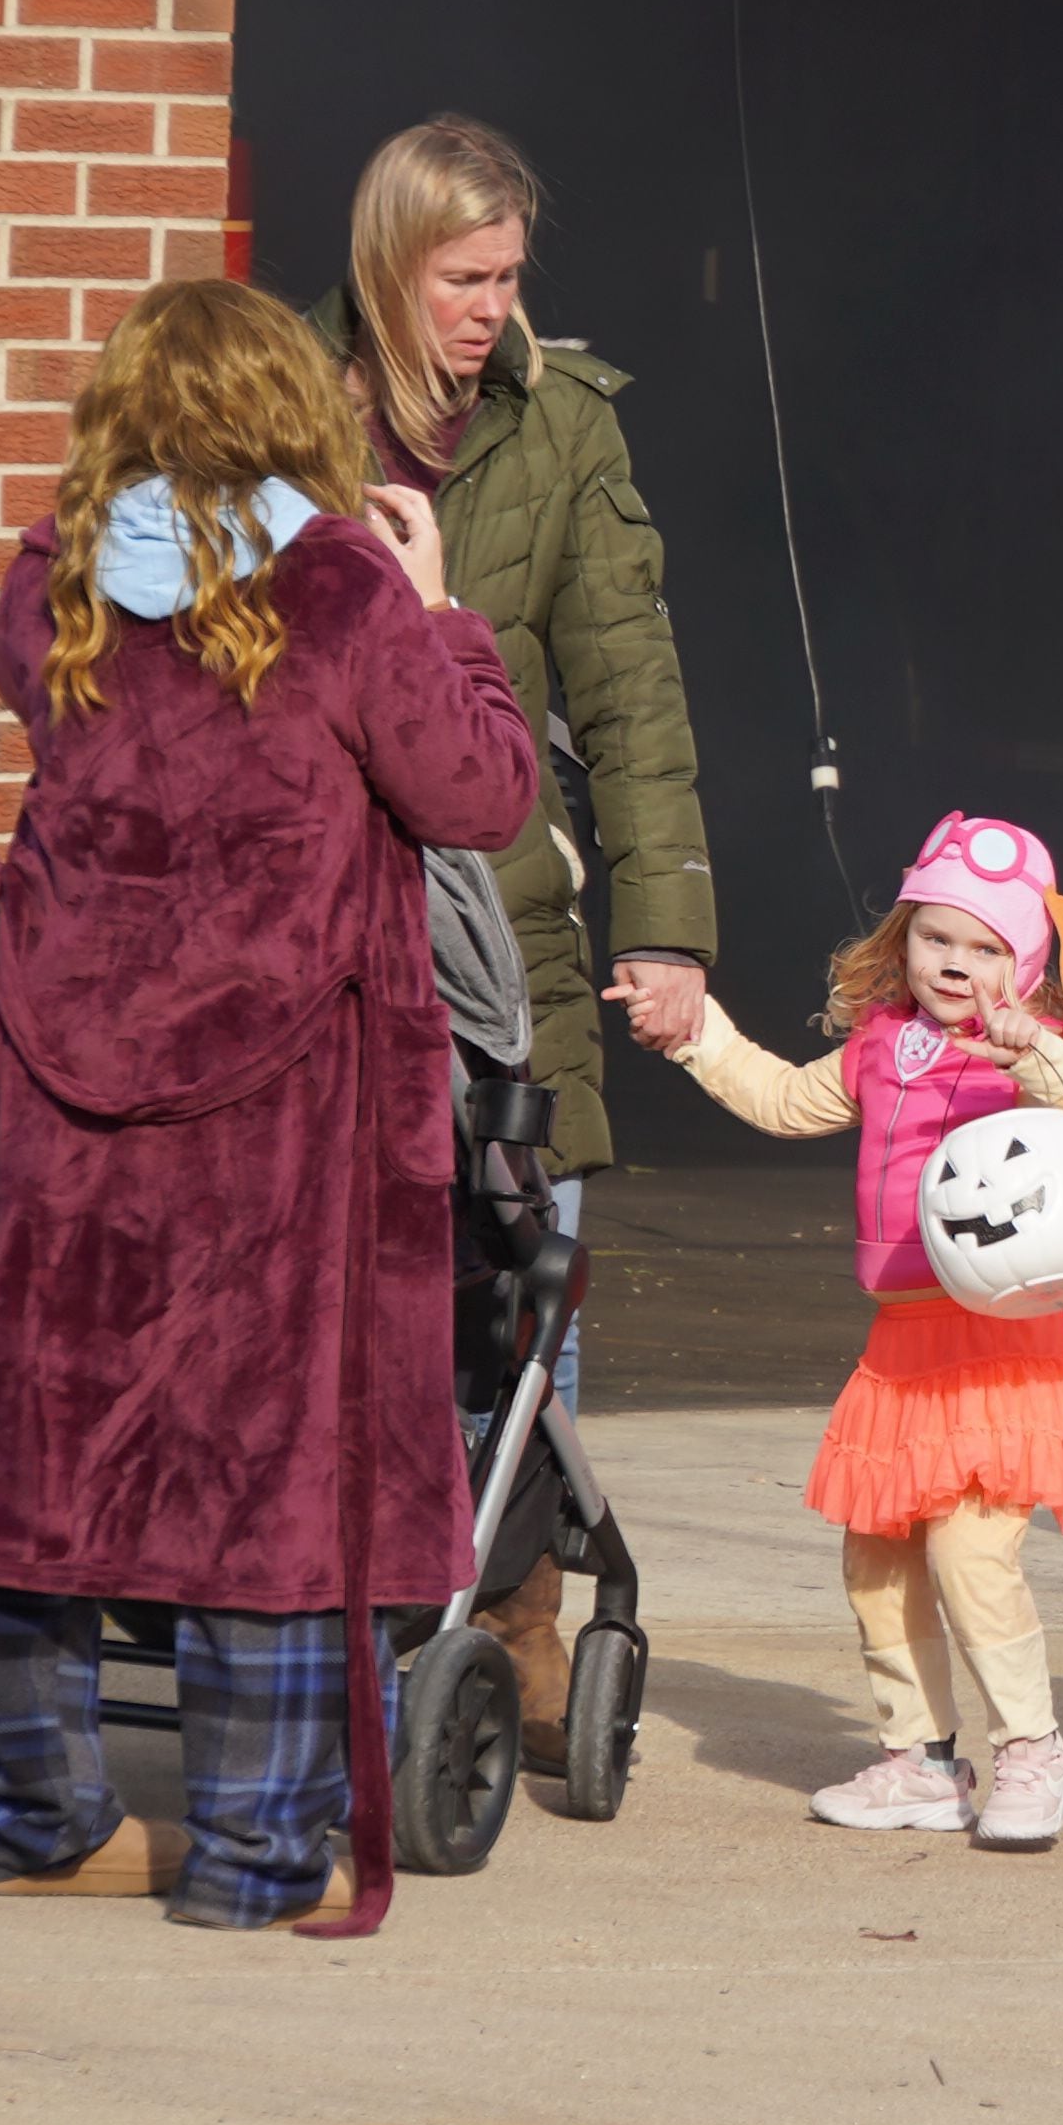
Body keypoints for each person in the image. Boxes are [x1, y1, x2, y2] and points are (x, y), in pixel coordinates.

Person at [0, 279, 539, 1936]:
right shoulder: (335, 588)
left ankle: (40, 1813)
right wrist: (437, 599)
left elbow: (60, 721)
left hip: (48, 1103)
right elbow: (478, 791)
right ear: (288, 410)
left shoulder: (51, 585)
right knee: (272, 1472)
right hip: (285, 1125)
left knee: (35, 1452)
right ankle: (253, 1851)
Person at [309, 116, 716, 1762]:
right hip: (325, 917)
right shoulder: (289, 404)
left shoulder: (561, 431)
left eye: (508, 276)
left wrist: (670, 928)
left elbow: (633, 692)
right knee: (338, 1286)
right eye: (462, 276)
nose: (489, 307)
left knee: (521, 1284)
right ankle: (316, 1603)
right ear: (390, 264)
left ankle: (516, 1616)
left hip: (509, 926)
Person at [638, 813, 1063, 1852]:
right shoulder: (882, 1048)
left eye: (988, 946)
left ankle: (1035, 1751)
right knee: (877, 1560)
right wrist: (693, 1030)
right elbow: (778, 1097)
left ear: (1026, 959)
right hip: (902, 1348)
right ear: (902, 937)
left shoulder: (1039, 1053)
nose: (957, 963)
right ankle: (921, 1759)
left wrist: (1033, 1042)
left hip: (1000, 1351)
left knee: (970, 1552)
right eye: (937, 937)